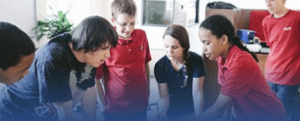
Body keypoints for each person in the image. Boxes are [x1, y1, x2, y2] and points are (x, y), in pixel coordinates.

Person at [0, 16, 118, 121]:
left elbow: (87, 91)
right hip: (12, 111)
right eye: (104, 48)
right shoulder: (54, 55)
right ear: (89, 43)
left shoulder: (90, 57)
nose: (107, 54)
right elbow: (64, 109)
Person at [197, 15, 287, 121]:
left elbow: (218, 108)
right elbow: (226, 98)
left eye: (207, 43)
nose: (204, 49)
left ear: (224, 39)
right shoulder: (222, 58)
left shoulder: (240, 62)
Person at [95, 0, 151, 121]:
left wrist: (148, 91)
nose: (128, 29)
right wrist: (103, 106)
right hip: (114, 110)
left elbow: (145, 64)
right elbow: (96, 78)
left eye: (132, 23)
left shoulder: (142, 35)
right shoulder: (105, 42)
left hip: (140, 106)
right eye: (123, 24)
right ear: (113, 20)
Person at [154, 24, 206, 121]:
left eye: (174, 47)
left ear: (184, 46)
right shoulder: (160, 66)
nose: (169, 51)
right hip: (170, 113)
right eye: (166, 46)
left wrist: (199, 117)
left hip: (191, 112)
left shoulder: (196, 61)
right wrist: (161, 113)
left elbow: (197, 92)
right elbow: (164, 96)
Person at [262, 0, 300, 120]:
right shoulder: (266, 21)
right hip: (271, 74)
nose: (268, 4)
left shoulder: (297, 18)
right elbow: (271, 44)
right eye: (265, 1)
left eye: (272, 0)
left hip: (290, 75)